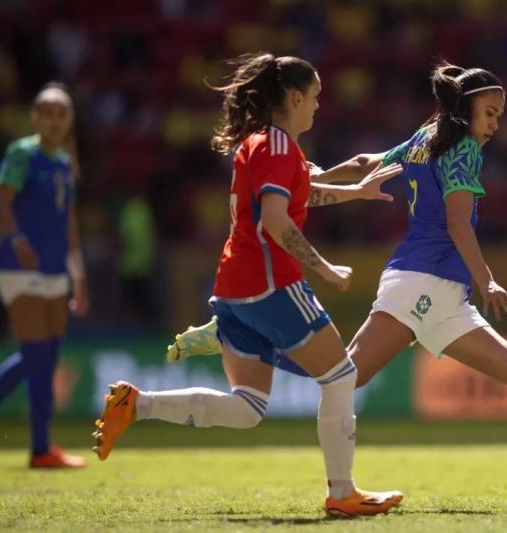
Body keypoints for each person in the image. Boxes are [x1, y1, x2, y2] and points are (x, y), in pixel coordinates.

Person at [168, 60, 507, 510]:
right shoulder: (461, 148)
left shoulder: (425, 138)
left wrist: (312, 179)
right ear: (466, 111)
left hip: (441, 293)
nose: (495, 123)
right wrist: (488, 282)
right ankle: (239, 337)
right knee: (346, 377)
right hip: (424, 283)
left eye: (500, 115)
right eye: (490, 112)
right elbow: (459, 225)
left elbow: (363, 161)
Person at [91, 53, 404, 518]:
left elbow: (298, 195)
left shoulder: (260, 144)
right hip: (271, 284)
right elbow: (277, 222)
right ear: (295, 97)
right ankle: (342, 495)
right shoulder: (278, 148)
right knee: (340, 377)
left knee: (248, 407)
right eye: (315, 97)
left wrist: (354, 192)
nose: (318, 106)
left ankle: (137, 404)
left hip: (234, 288)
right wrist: (324, 268)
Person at [0, 82, 89, 468]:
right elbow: (2, 202)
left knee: (47, 356)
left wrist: (79, 274)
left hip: (56, 270)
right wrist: (18, 239)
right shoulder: (22, 154)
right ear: (36, 117)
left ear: (70, 120)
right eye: (49, 113)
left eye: (63, 114)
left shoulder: (63, 162)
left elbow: (68, 221)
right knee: (36, 355)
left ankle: (42, 449)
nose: (56, 121)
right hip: (21, 268)